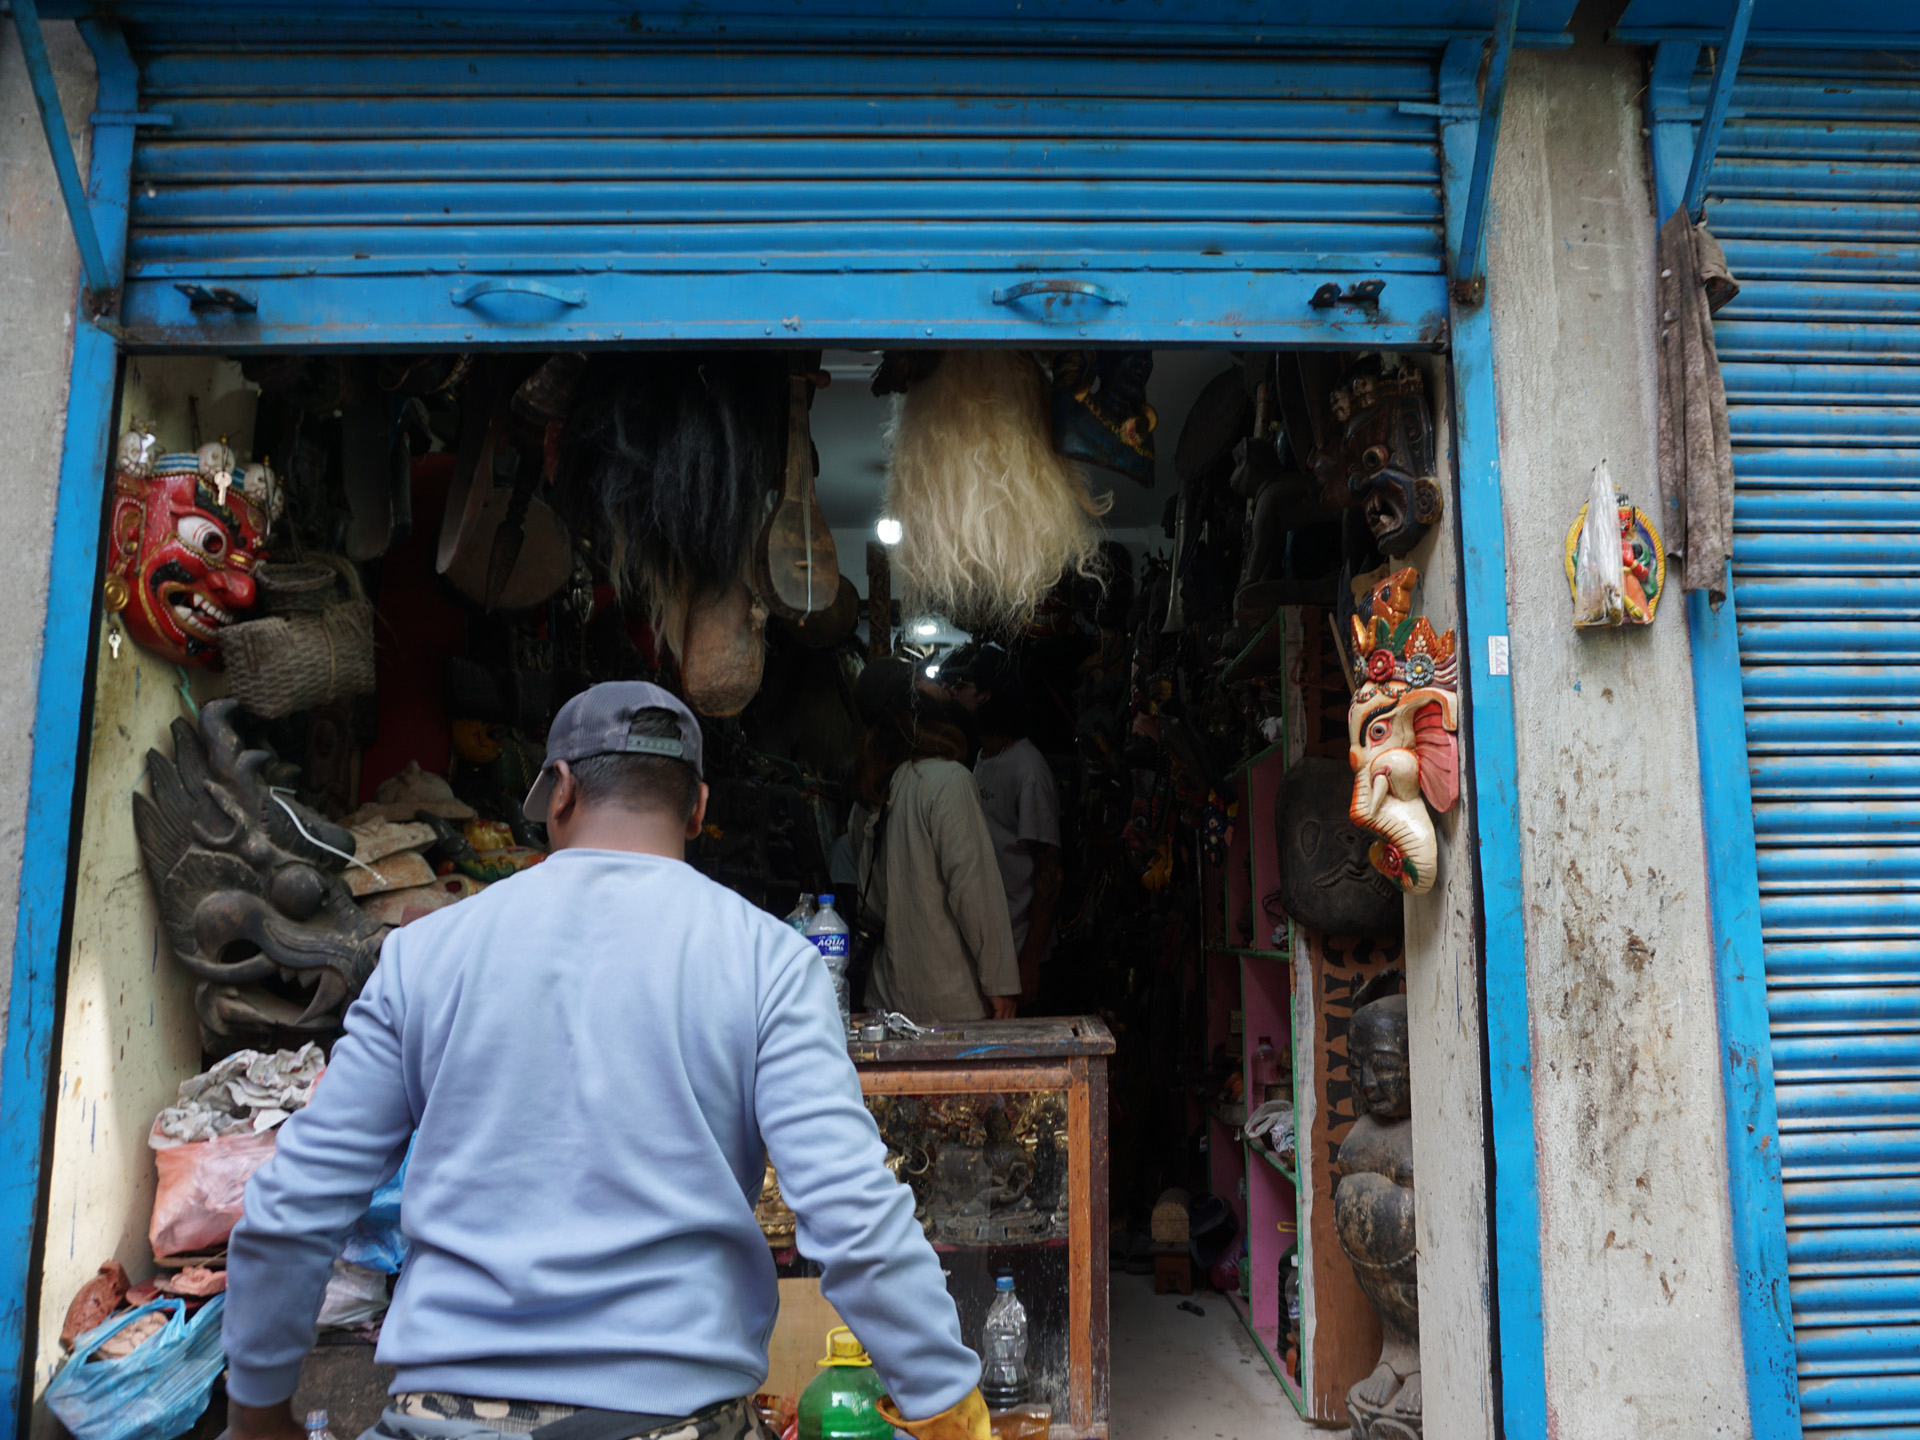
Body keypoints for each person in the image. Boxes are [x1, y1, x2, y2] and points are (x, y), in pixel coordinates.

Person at [223, 682, 993, 1440]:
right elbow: (853, 1211)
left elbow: (298, 1201)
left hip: (442, 1419)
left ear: (559, 792)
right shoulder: (769, 961)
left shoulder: (424, 955)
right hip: (676, 1423)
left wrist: (259, 1414)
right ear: (698, 807)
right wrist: (943, 1400)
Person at [850, 666, 1020, 1025]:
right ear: (912, 704)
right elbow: (974, 891)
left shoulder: (870, 794)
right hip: (950, 1005)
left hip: (883, 1001)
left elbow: (872, 900)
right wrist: (1000, 982)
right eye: (921, 680)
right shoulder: (947, 782)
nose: (937, 685)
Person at [940, 649, 1064, 1007]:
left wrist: (1028, 961)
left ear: (985, 695)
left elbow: (1050, 871)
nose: (954, 693)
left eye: (963, 685)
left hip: (1020, 950)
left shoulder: (1027, 769)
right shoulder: (980, 759)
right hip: (993, 951)